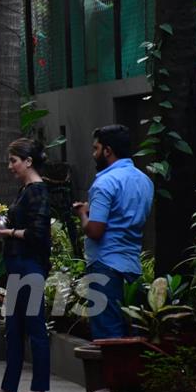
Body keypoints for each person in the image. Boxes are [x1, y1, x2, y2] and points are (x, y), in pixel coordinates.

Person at [73, 124, 153, 339]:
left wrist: (82, 213)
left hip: (105, 263)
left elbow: (95, 230)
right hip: (132, 265)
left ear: (107, 151)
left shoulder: (105, 182)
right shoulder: (144, 181)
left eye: (96, 148)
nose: (93, 154)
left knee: (108, 334)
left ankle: (110, 374)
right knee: (134, 332)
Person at [0, 138, 51, 392]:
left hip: (29, 265)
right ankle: (8, 386)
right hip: (18, 264)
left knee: (34, 325)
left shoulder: (37, 190)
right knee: (13, 327)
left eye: (14, 161)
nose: (11, 166)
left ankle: (39, 388)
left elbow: (39, 233)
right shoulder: (26, 189)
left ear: (28, 161)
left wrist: (9, 231)